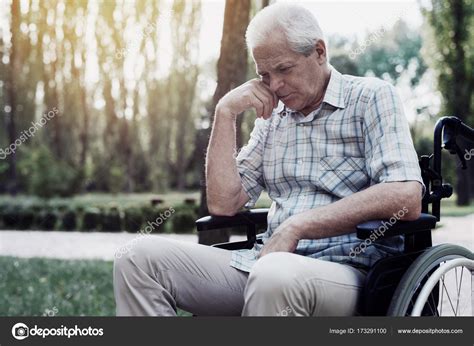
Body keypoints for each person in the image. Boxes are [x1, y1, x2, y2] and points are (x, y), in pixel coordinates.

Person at [113, 3, 424, 316]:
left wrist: (297, 227)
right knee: (137, 257)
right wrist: (225, 113)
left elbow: (406, 195)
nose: (274, 85)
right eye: (264, 75)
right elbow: (223, 204)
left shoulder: (371, 97)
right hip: (264, 265)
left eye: (284, 70)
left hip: (347, 270)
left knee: (274, 276)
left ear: (319, 52)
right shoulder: (273, 115)